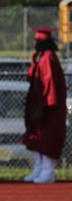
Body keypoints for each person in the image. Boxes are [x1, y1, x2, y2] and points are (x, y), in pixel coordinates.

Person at [23, 28, 66, 184]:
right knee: (36, 138)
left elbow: (49, 85)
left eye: (38, 42)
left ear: (45, 44)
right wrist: (34, 62)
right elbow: (32, 79)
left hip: (48, 107)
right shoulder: (42, 58)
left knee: (47, 138)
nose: (35, 45)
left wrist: (44, 107)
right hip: (38, 104)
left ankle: (47, 172)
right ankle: (39, 168)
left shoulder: (48, 58)